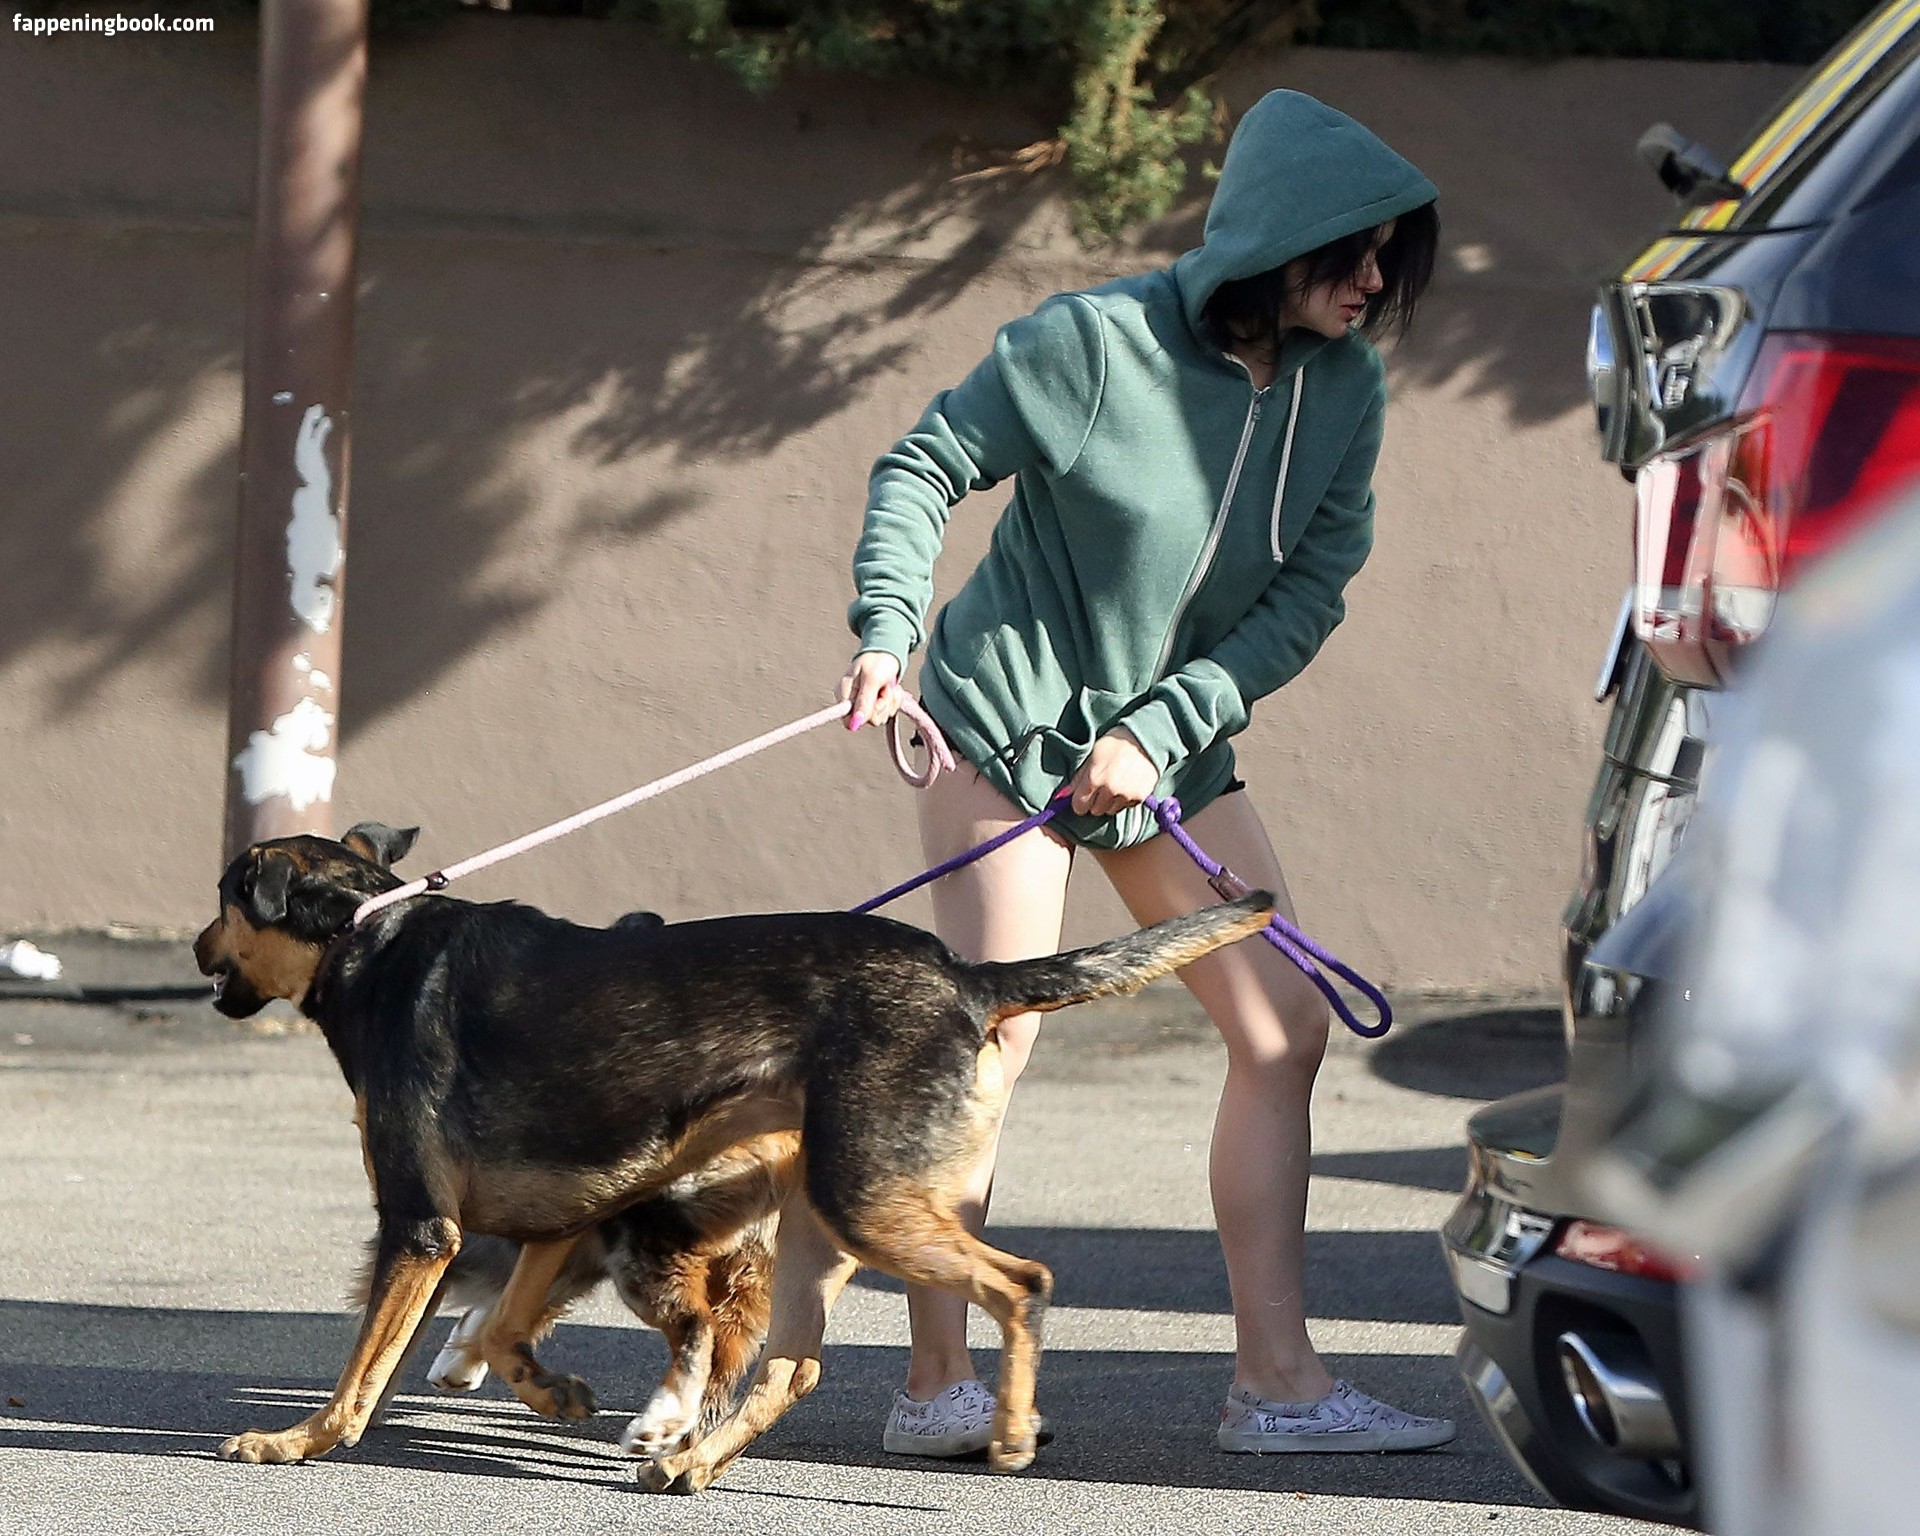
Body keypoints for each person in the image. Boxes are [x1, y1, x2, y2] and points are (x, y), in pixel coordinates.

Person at [837, 89, 1454, 1457]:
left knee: (1282, 1027)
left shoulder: (1344, 390)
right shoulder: (1090, 345)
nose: (1372, 286)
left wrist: (1163, 728)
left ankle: (1276, 1390)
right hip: (1007, 732)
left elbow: (1311, 591)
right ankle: (935, 1383)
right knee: (989, 1043)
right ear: (1275, 239)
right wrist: (885, 631)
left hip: (1165, 755)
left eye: (1387, 263)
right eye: (1352, 255)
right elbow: (924, 465)